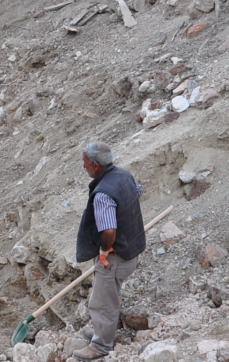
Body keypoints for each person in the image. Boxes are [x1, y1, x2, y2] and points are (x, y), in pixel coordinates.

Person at [70, 142, 147, 359]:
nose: (83, 166)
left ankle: (101, 346)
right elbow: (137, 191)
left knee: (103, 301)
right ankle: (100, 330)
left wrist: (104, 250)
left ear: (95, 164)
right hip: (131, 250)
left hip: (115, 258)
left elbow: (109, 230)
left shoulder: (103, 194)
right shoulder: (123, 175)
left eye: (85, 162)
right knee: (105, 294)